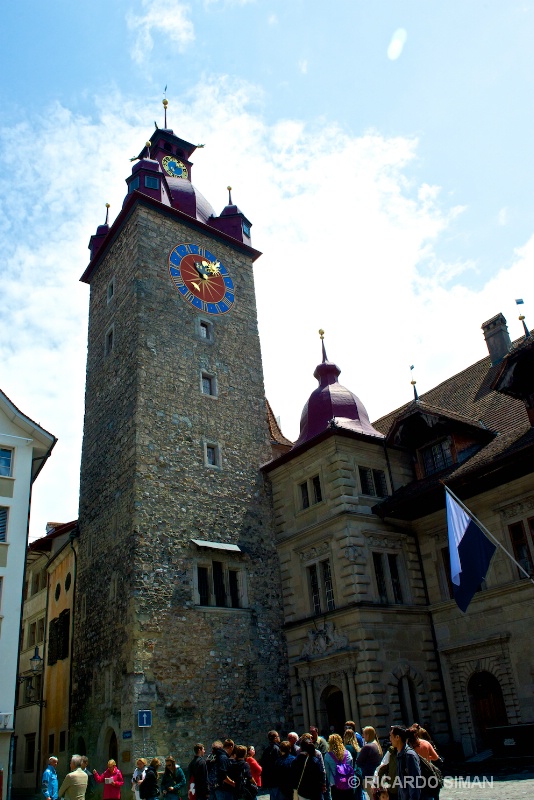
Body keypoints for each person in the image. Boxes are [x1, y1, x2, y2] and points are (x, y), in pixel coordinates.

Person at [389, 728, 420, 800]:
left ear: (397, 737)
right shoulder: (399, 754)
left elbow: (415, 782)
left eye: (391, 736)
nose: (390, 739)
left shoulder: (409, 755)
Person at [324, 734, 353, 800]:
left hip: (335, 784)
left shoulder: (327, 756)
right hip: (348, 783)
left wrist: (328, 784)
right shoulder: (348, 753)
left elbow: (327, 772)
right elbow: (351, 768)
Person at [356, 728, 382, 799]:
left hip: (368, 777)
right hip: (376, 776)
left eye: (363, 734)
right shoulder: (376, 744)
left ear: (368, 735)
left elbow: (358, 762)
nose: (362, 736)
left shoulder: (367, 747)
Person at [260, 731, 280, 800]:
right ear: (275, 738)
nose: (279, 738)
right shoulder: (276, 749)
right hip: (275, 778)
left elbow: (263, 762)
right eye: (278, 736)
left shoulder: (267, 749)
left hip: (269, 778)